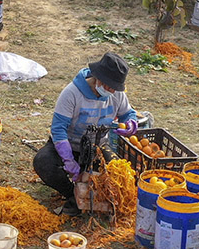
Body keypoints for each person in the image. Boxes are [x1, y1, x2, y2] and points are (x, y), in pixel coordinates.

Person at [33, 52, 143, 215]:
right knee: (43, 163)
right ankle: (73, 194)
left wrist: (131, 123)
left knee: (118, 174)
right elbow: (58, 129)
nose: (111, 90)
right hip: (69, 145)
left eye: (114, 87)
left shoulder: (116, 94)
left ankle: (96, 197)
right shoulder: (72, 93)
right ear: (97, 77)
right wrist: (68, 159)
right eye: (108, 85)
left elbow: (128, 113)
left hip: (97, 147)